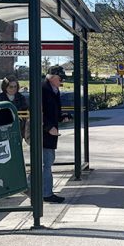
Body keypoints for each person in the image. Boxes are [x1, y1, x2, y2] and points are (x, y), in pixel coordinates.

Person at [41, 65, 70, 204]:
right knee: (46, 162)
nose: (62, 80)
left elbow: (53, 112)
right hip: (42, 133)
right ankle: (45, 193)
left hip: (50, 133)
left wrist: (61, 117)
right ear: (52, 77)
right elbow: (37, 111)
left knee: (48, 161)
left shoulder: (54, 90)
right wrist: (48, 127)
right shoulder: (42, 89)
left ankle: (44, 191)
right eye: (60, 77)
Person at [0, 75, 29, 139]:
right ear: (5, 87)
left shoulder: (21, 98)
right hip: (3, 130)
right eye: (11, 87)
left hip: (18, 130)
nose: (13, 89)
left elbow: (25, 112)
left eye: (15, 87)